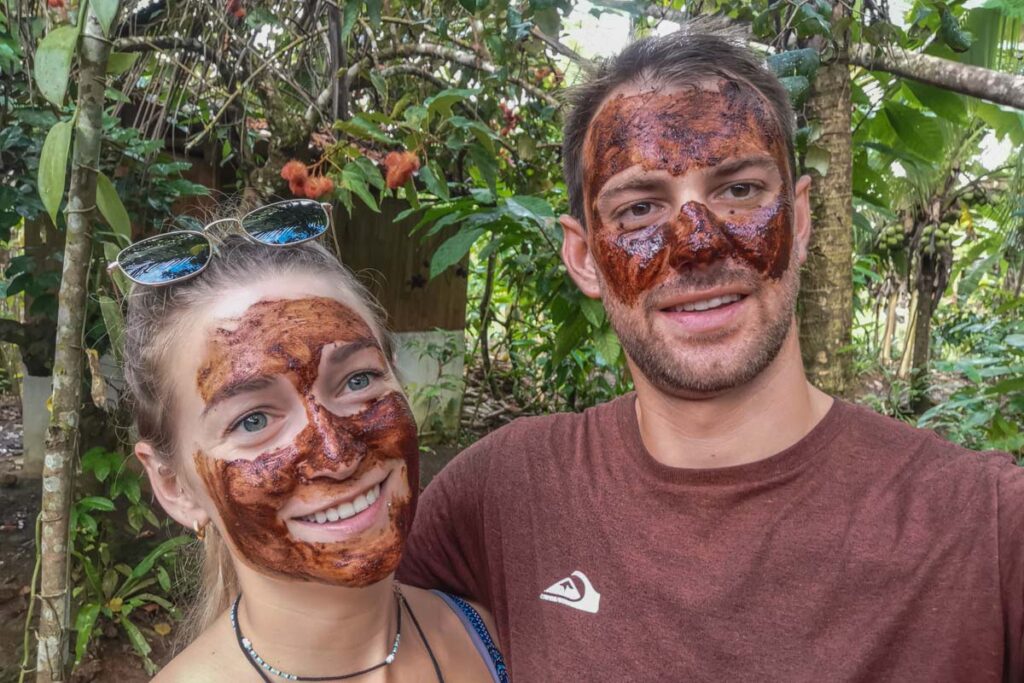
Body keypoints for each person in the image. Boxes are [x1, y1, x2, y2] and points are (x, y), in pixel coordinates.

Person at [398, 27, 1024, 681]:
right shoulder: (506, 492)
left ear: (801, 220)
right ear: (584, 257)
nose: (697, 244)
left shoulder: (987, 526)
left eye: (739, 191)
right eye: (640, 208)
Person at [120, 200, 509, 682]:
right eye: (253, 419)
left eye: (358, 381)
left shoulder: (494, 640)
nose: (337, 454)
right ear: (173, 486)